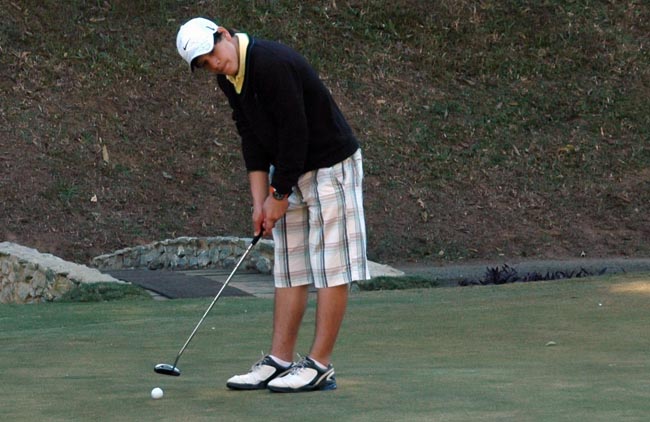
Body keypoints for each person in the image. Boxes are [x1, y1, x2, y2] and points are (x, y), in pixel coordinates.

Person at [176, 17, 370, 393]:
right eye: (203, 63)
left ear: (225, 36)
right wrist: (258, 201)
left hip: (331, 165)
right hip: (291, 169)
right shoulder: (229, 79)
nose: (213, 64)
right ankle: (280, 360)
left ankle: (319, 364)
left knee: (330, 266)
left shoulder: (269, 63)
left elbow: (295, 130)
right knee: (290, 265)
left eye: (211, 53)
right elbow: (251, 137)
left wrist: (278, 195)